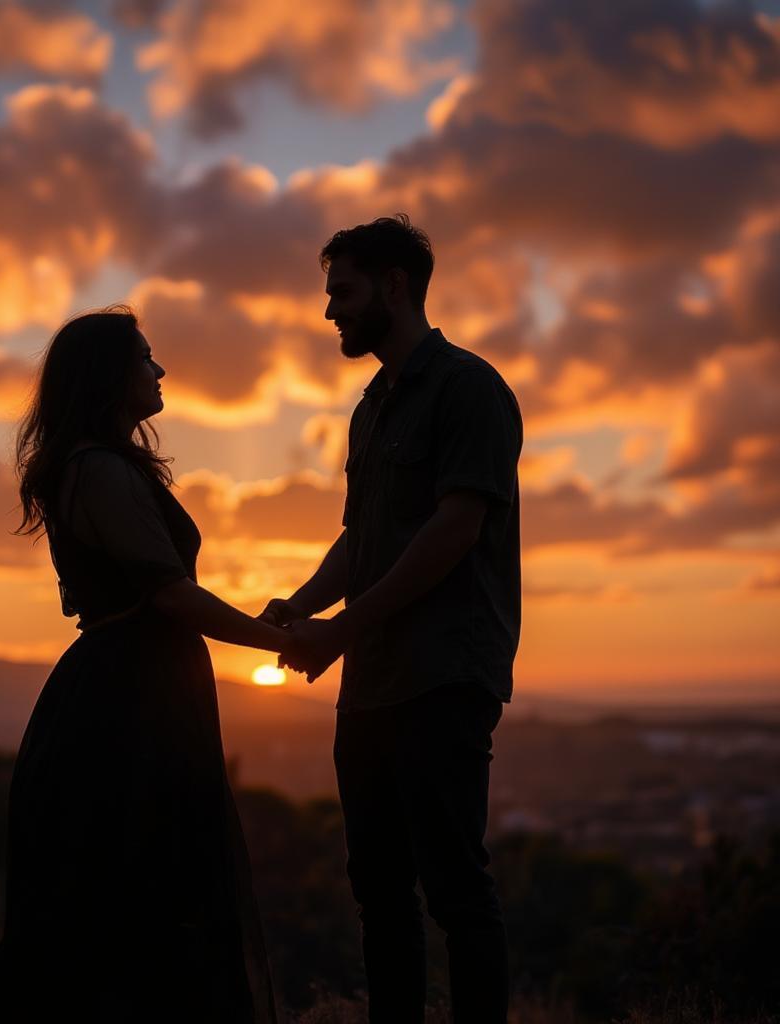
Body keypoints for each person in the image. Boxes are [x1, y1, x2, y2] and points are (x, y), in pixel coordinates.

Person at [0, 306, 281, 1022]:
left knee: (138, 908)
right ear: (110, 376)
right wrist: (281, 641)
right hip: (126, 709)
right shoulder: (96, 470)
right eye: (145, 357)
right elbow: (169, 594)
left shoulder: (103, 466)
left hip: (140, 697)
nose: (159, 369)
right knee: (132, 909)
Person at [267, 216, 523, 1024]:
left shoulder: (470, 389)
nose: (330, 311)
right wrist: (302, 606)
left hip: (445, 672)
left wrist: (341, 630)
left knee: (454, 888)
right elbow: (362, 537)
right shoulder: (371, 407)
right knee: (378, 890)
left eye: (341, 291)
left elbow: (455, 528)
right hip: (373, 682)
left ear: (394, 286)